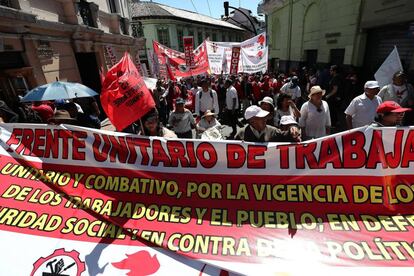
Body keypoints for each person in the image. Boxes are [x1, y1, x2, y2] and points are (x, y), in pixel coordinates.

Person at [235, 105, 300, 143]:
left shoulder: (273, 131)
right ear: (252, 121)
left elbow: (287, 136)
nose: (265, 119)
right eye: (261, 118)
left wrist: (292, 128)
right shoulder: (241, 135)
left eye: (265, 117)